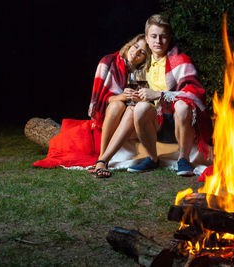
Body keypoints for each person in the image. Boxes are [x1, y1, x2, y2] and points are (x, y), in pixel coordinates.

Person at [127, 14, 212, 176]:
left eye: (163, 36)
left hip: (183, 121)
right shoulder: (145, 63)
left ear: (169, 38)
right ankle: (152, 158)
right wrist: (140, 96)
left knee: (182, 105)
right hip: (159, 123)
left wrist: (159, 94)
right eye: (153, 36)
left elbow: (195, 94)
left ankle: (183, 159)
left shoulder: (180, 60)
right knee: (140, 108)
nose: (158, 41)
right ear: (146, 38)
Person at [88, 34, 150, 178]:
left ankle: (102, 160)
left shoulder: (141, 73)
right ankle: (102, 158)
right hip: (108, 115)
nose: (136, 53)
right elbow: (101, 99)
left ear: (144, 60)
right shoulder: (108, 62)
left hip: (130, 119)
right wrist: (122, 96)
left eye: (142, 53)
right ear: (129, 45)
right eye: (135, 47)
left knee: (130, 108)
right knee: (117, 105)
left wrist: (136, 97)